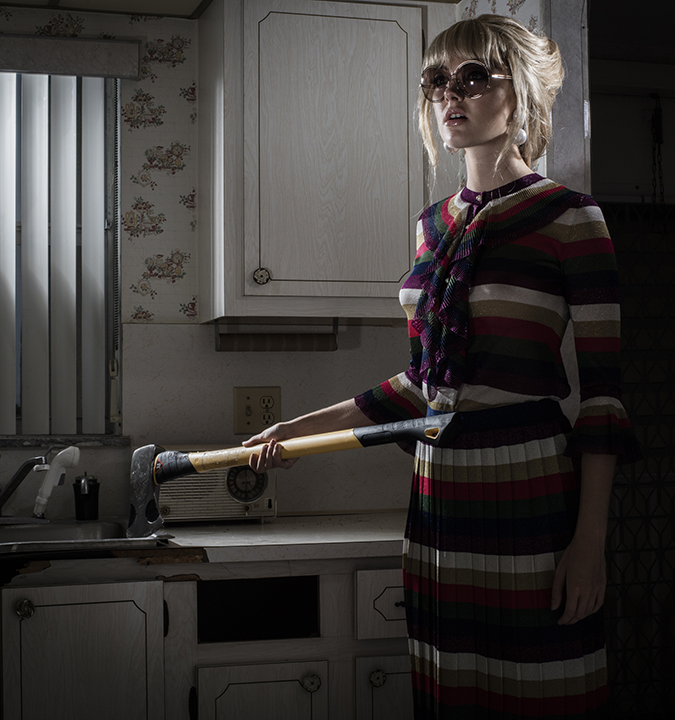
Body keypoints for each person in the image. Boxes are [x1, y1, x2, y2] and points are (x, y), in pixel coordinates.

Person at [245, 14, 640, 718]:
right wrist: (296, 431)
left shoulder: (572, 220)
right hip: (439, 493)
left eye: (472, 77)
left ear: (519, 93)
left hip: (528, 481)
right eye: (436, 81)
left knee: (543, 686)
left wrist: (589, 543)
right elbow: (422, 387)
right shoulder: (432, 227)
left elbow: (603, 400)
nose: (449, 95)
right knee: (451, 687)